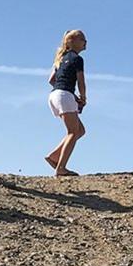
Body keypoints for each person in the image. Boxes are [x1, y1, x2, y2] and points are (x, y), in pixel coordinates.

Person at [46, 29, 88, 176]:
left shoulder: (60, 58)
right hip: (64, 95)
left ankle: (54, 157)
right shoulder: (77, 59)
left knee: (80, 130)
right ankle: (61, 168)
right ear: (72, 41)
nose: (85, 42)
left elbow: (51, 80)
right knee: (72, 132)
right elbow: (81, 81)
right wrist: (82, 97)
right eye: (82, 39)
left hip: (55, 95)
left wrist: (64, 90)